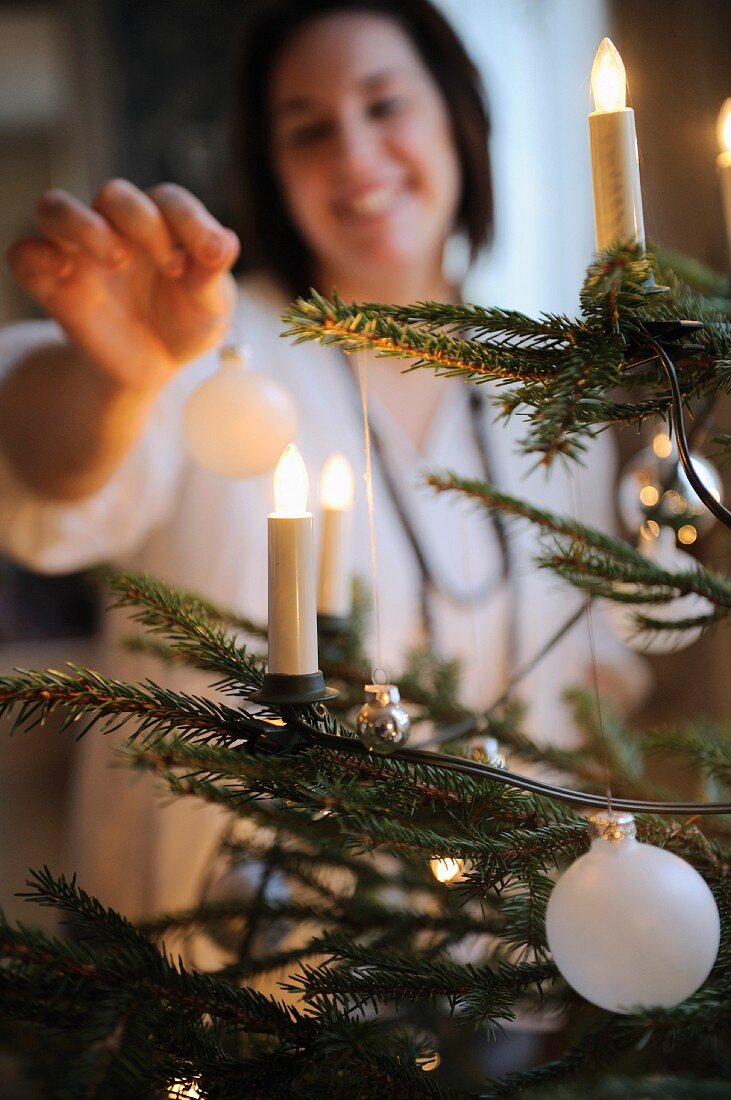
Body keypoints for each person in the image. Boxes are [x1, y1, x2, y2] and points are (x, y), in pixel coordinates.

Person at [0, 0, 645, 920]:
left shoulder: (538, 388)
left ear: (458, 119)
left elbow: (592, 679)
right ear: (271, 168)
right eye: (307, 130)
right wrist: (115, 377)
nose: (352, 156)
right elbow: (45, 474)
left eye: (384, 106)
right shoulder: (214, 346)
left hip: (498, 970)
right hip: (227, 977)